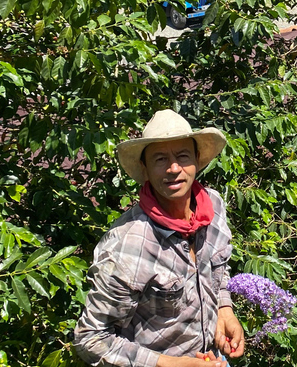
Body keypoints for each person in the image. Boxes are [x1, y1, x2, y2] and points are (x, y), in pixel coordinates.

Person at [73, 110, 245, 367]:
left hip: (213, 359)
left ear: (197, 160)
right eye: (160, 159)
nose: (174, 168)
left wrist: (224, 311)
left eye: (182, 156)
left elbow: (218, 270)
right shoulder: (128, 244)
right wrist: (170, 363)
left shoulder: (214, 207)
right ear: (145, 167)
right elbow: (90, 338)